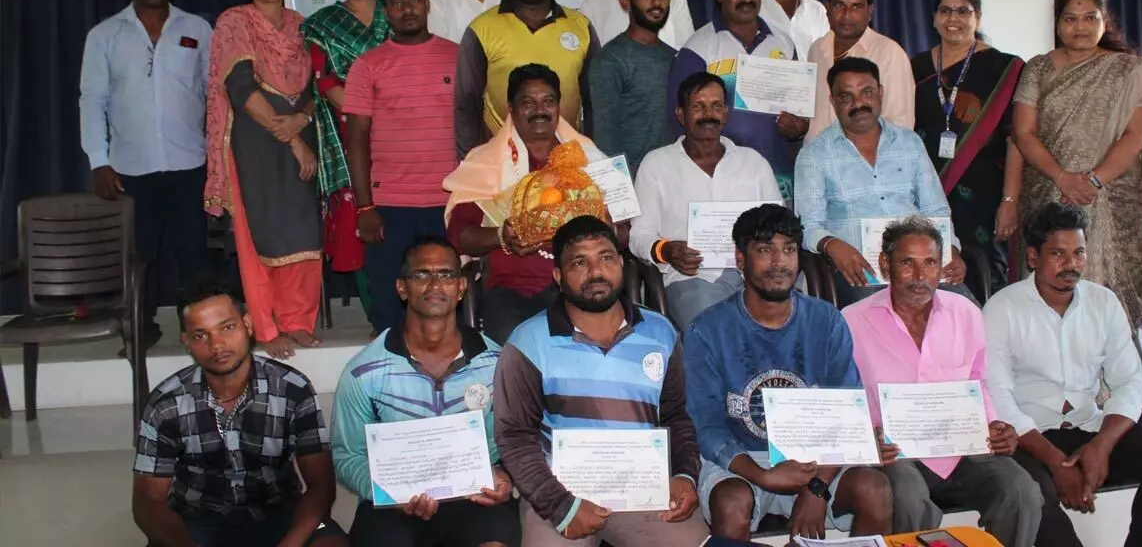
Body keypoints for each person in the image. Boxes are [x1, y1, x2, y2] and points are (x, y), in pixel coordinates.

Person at [493, 216, 709, 546]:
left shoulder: (660, 332)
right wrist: (560, 506)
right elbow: (514, 435)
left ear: (621, 263)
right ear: (558, 276)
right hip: (559, 495)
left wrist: (683, 474)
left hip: (644, 491)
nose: (596, 272)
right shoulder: (528, 342)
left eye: (606, 258)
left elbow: (676, 416)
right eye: (580, 262)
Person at [684, 204, 893, 541]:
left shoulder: (827, 321)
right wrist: (763, 476)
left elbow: (846, 414)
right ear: (741, 259)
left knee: (874, 488)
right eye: (765, 250)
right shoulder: (707, 331)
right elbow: (706, 426)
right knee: (733, 501)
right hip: (743, 458)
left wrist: (817, 488)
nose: (779, 262)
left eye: (789, 250)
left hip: (817, 455)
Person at [984, 202, 1142, 547]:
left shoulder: (1103, 302)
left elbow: (1129, 381)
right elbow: (998, 397)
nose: (1071, 264)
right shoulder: (1002, 309)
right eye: (1058, 254)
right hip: (1030, 438)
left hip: (1088, 426)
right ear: (1033, 257)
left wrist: (1102, 445)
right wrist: (1056, 464)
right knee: (1034, 498)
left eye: (1079, 253)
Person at [842, 216, 1041, 547]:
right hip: (894, 453)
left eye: (930, 263)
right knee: (906, 492)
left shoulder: (965, 313)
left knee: (1020, 489)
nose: (920, 277)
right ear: (885, 265)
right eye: (908, 263)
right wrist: (867, 439)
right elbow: (842, 397)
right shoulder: (852, 321)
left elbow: (981, 385)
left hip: (962, 448)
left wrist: (997, 427)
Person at [1011, 0, 1142, 335]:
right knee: (1047, 291)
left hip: (1110, 199)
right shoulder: (1038, 68)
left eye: (1090, 17)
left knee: (1108, 299)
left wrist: (1092, 180)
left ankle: (1111, 384)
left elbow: (1139, 133)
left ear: (1106, 22)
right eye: (1070, 18)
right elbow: (1024, 133)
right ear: (1057, 24)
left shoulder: (1126, 71)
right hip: (1047, 194)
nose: (1080, 26)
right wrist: (1062, 177)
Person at [331, 236, 520, 547]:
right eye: (421, 274)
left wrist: (504, 475)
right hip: (394, 507)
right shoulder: (364, 372)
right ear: (402, 288)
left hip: (474, 498)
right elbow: (347, 455)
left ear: (461, 287)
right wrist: (388, 491)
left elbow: (515, 437)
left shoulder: (497, 363)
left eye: (446, 274)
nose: (435, 284)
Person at [132, 280, 347, 547]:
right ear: (186, 342)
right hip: (195, 522)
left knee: (332, 543)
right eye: (201, 335)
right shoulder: (166, 403)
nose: (217, 345)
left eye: (227, 327)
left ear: (247, 325)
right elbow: (147, 501)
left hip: (280, 514)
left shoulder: (293, 389)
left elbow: (320, 486)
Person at [79, 0, 212, 348]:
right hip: (129, 167)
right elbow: (92, 100)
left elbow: (214, 94)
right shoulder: (105, 35)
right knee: (140, 255)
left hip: (190, 161)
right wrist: (99, 161)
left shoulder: (196, 29)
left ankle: (200, 329)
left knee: (193, 253)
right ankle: (141, 326)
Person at [204, 0, 322, 360]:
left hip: (298, 136)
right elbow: (239, 88)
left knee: (303, 231)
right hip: (255, 141)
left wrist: (303, 121)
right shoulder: (235, 22)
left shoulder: (302, 26)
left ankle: (298, 321)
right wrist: (290, 137)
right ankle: (267, 327)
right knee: (260, 233)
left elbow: (315, 90)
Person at [444, 65, 605, 344]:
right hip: (513, 290)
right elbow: (460, 235)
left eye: (548, 101)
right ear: (511, 108)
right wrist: (502, 235)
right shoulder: (486, 162)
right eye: (528, 102)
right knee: (518, 343)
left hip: (584, 283)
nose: (539, 110)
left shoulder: (591, 159)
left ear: (558, 106)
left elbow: (622, 231)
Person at [794, 57, 973, 308]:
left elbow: (936, 210)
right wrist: (831, 244)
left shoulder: (909, 143)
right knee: (878, 321)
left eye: (866, 92)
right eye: (846, 97)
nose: (858, 104)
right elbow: (808, 226)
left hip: (920, 264)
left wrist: (950, 248)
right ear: (833, 102)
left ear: (880, 93)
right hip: (862, 273)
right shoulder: (814, 155)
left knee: (962, 308)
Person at [344, 0, 459, 335]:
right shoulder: (368, 66)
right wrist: (364, 208)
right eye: (396, 3)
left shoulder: (458, 57)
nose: (406, 9)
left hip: (449, 203)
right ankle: (389, 378)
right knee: (390, 305)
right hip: (389, 207)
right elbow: (357, 139)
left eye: (413, 0)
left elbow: (474, 129)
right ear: (385, 10)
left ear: (426, 4)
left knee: (447, 299)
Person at [631, 72, 781, 327]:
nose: (708, 114)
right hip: (691, 278)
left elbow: (779, 226)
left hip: (756, 277)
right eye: (698, 106)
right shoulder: (656, 164)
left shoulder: (753, 162)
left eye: (716, 106)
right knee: (716, 333)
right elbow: (639, 234)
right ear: (681, 115)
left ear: (726, 114)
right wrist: (665, 250)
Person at [912, 0, 1026, 298]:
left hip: (986, 193)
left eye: (964, 10)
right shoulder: (915, 67)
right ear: (933, 17)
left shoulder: (1005, 68)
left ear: (978, 17)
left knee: (987, 276)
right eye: (946, 10)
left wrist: (1010, 201)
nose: (954, 18)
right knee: (934, 275)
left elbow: (1016, 139)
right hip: (927, 190)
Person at [667, 0, 807, 202]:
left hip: (778, 177)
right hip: (717, 181)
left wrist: (799, 128)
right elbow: (678, 120)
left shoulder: (784, 44)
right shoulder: (698, 49)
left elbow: (801, 113)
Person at [455, 0, 599, 158]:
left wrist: (594, 160)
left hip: (567, 161)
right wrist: (470, 164)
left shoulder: (580, 27)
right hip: (501, 165)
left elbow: (596, 104)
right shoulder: (482, 29)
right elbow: (467, 107)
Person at [300, 0, 389, 313]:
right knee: (360, 224)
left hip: (401, 133)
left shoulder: (399, 12)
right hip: (347, 129)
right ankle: (377, 312)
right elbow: (322, 79)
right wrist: (365, 111)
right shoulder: (323, 24)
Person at [587, 0, 677, 177]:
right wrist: (622, 198)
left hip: (675, 180)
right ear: (626, 3)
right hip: (633, 185)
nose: (657, 2)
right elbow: (606, 141)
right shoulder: (610, 60)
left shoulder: (676, 57)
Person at [807, 0, 914, 139]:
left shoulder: (889, 53)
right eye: (839, 5)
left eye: (856, 7)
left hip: (862, 162)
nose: (847, 15)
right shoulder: (816, 49)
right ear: (827, 8)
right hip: (814, 157)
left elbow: (899, 123)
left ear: (870, 11)